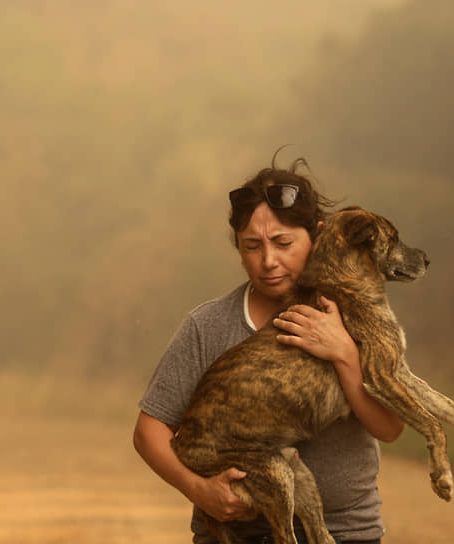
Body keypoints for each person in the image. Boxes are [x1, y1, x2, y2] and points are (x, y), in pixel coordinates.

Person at [132, 157, 404, 543]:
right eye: (252, 246)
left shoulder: (355, 315)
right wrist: (200, 491)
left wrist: (344, 352)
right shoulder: (208, 325)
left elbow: (389, 427)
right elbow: (149, 431)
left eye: (283, 243)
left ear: (320, 236)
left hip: (346, 532)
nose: (268, 262)